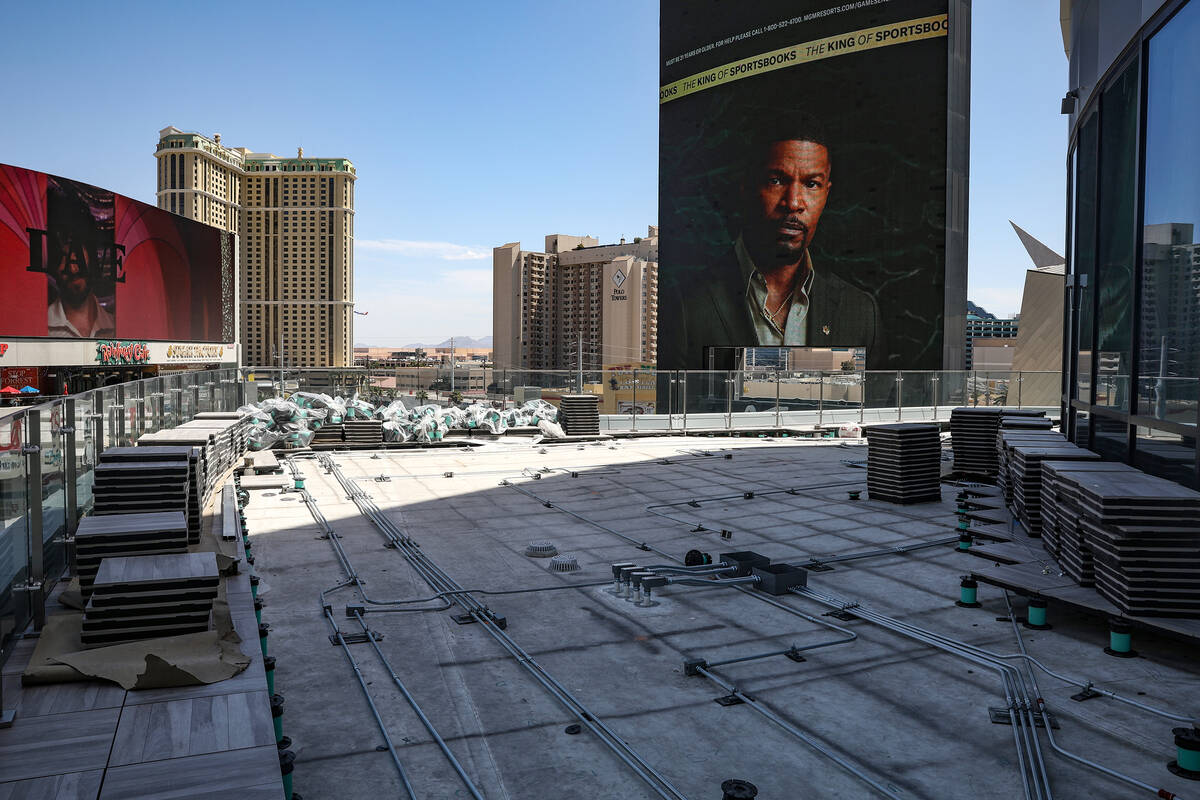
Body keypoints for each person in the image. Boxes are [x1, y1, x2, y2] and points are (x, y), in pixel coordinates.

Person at [659, 114, 881, 369]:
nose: (793, 202)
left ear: (826, 194)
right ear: (747, 186)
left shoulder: (861, 312)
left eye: (811, 184)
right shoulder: (686, 304)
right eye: (776, 180)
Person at [45, 180, 115, 339]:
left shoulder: (116, 326)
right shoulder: (39, 327)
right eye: (60, 256)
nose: (72, 268)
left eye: (77, 254)